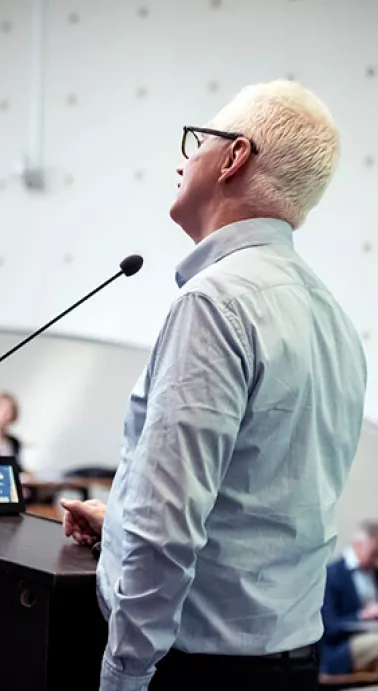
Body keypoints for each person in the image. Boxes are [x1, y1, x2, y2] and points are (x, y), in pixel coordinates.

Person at [61, 79, 366, 691]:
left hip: (197, 670)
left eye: (199, 139)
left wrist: (123, 675)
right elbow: (262, 503)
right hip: (289, 659)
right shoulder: (334, 316)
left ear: (233, 158)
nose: (185, 156)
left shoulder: (216, 303)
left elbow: (167, 526)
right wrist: (118, 520)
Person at [321, 523, 378, 675]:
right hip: (342, 646)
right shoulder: (333, 575)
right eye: (374, 553)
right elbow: (329, 626)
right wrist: (362, 616)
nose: (376, 560)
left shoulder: (375, 573)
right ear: (358, 545)